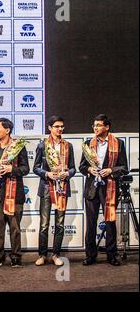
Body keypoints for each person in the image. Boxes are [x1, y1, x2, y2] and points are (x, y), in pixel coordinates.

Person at [80, 114, 128, 266]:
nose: (95, 128)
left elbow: (124, 168)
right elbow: (81, 166)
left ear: (107, 127)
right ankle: (90, 255)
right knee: (91, 223)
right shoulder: (88, 143)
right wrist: (89, 170)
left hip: (110, 188)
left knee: (110, 223)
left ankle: (112, 255)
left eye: (99, 125)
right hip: (92, 188)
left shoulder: (118, 143)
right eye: (94, 125)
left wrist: (110, 170)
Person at [0, 118, 29, 268]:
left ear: (7, 130)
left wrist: (11, 169)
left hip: (15, 194)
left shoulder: (18, 146)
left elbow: (25, 169)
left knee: (15, 228)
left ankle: (16, 257)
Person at [33, 116, 76, 266]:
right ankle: (42, 255)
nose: (60, 129)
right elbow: (35, 167)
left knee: (60, 224)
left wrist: (68, 174)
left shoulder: (68, 146)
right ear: (50, 128)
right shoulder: (42, 145)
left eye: (62, 126)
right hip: (46, 187)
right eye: (57, 126)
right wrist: (47, 174)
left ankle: (56, 254)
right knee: (44, 224)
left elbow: (73, 168)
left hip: (62, 188)